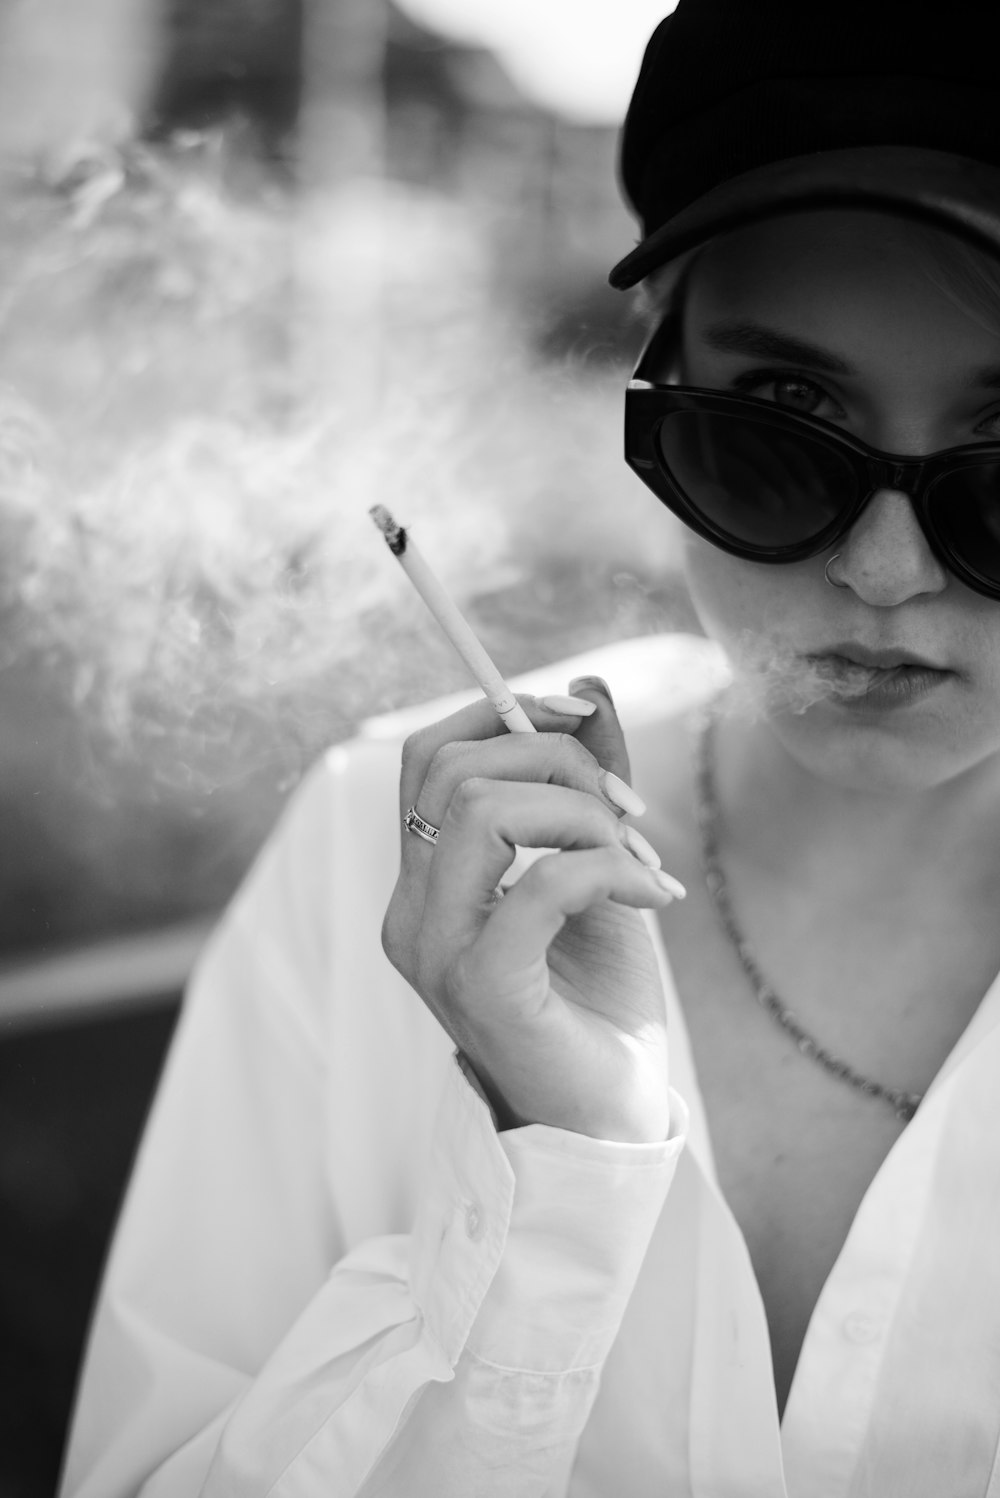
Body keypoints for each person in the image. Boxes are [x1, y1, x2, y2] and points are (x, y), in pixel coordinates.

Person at [59, 2, 1000, 1493]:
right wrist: (551, 1172)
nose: (885, 574)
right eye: (782, 417)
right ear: (654, 374)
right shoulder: (388, 832)